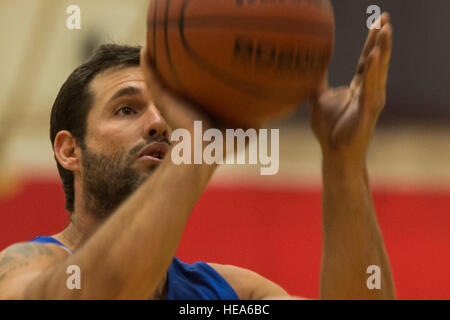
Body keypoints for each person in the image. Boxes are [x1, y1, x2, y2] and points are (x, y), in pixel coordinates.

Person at [0, 13, 394, 300]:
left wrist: (344, 159)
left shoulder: (228, 297)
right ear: (70, 150)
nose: (159, 123)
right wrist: (197, 149)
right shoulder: (22, 269)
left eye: (166, 111)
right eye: (127, 109)